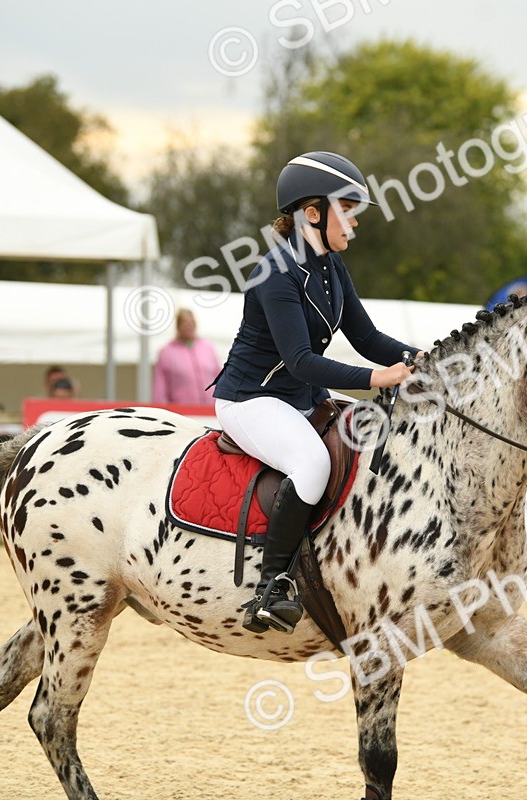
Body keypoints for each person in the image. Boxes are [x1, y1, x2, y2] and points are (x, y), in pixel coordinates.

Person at [211, 151, 422, 634]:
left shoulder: (331, 267)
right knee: (312, 463)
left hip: (301, 397)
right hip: (251, 399)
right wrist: (378, 379)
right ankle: (271, 587)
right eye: (347, 211)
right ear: (312, 213)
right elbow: (302, 359)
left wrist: (418, 359)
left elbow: (368, 340)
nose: (354, 224)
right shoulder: (273, 272)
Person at [153, 309, 221, 405]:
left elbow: (219, 378)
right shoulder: (166, 352)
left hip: (210, 410)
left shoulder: (208, 348)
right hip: (182, 411)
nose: (188, 326)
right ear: (177, 326)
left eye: (191, 323)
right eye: (184, 323)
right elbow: (160, 388)